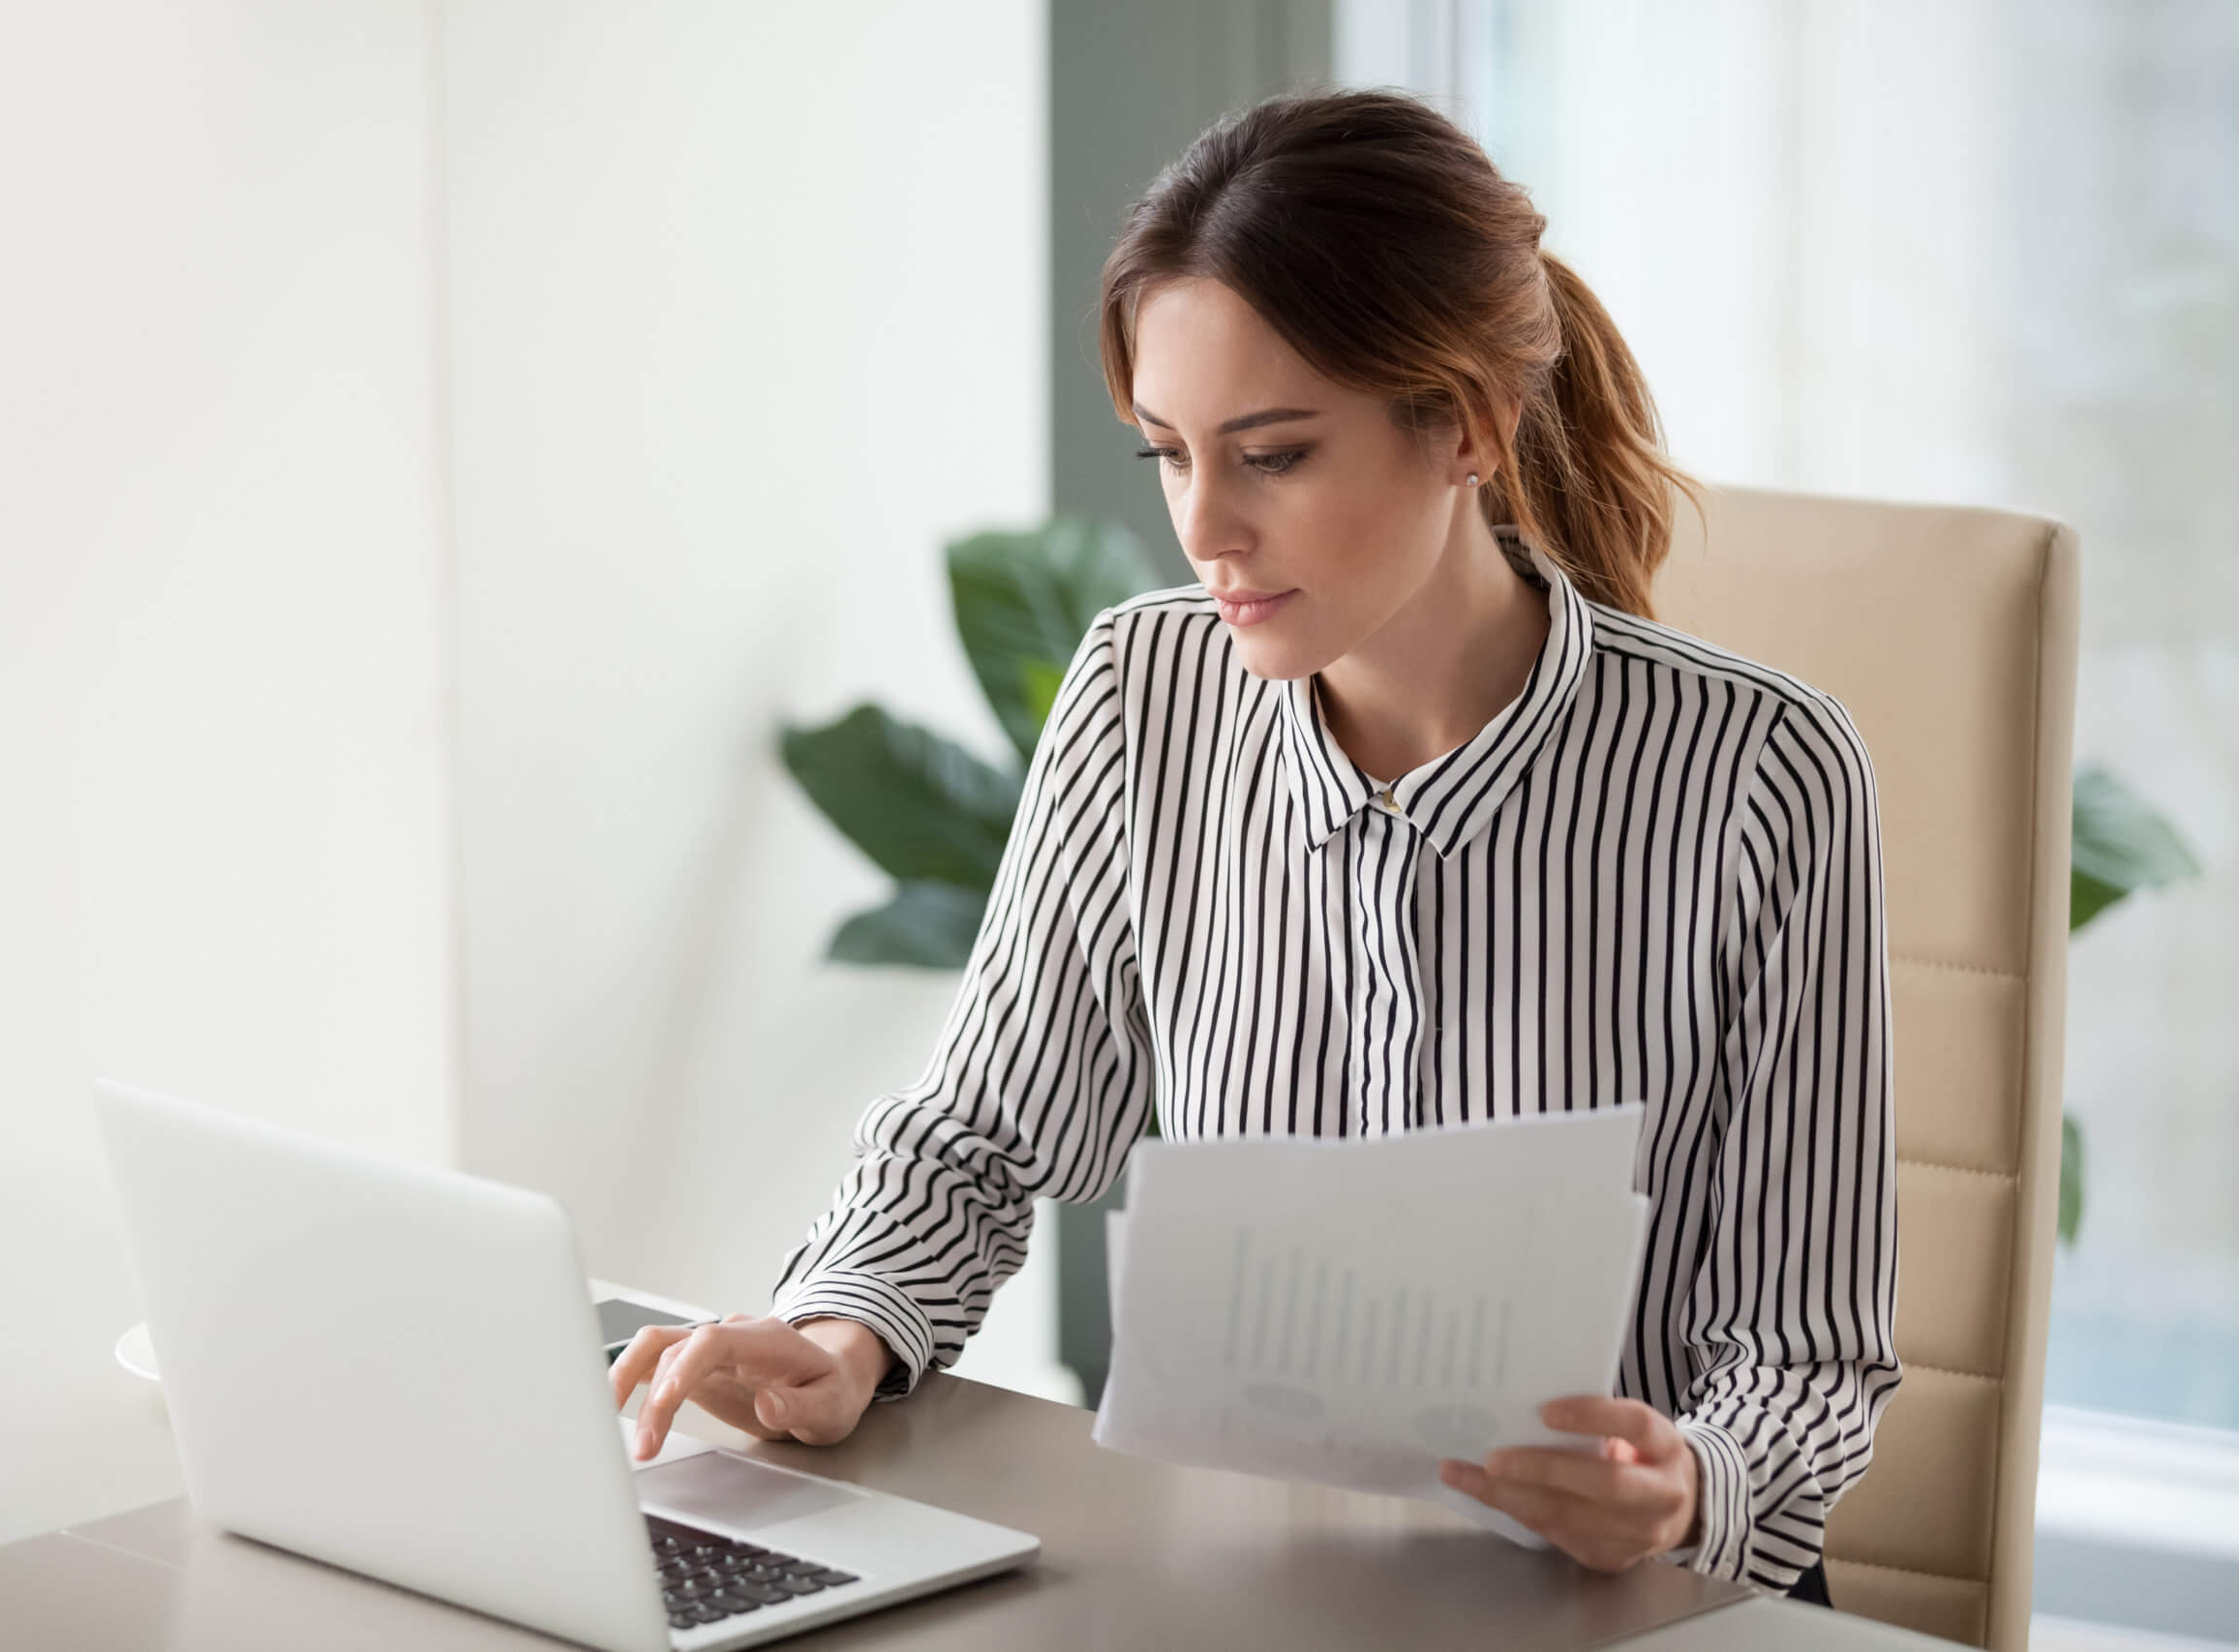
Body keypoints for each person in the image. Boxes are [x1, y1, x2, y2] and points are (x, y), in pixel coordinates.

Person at [612, 85, 1897, 1609]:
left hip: (1623, 1609)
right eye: (1169, 452)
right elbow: (980, 1136)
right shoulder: (1140, 694)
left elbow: (1806, 1351)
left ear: (1468, 426)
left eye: (1273, 455)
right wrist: (844, 1327)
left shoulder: (1763, 772)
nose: (1204, 527)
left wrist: (1688, 1488)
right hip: (1239, 1591)